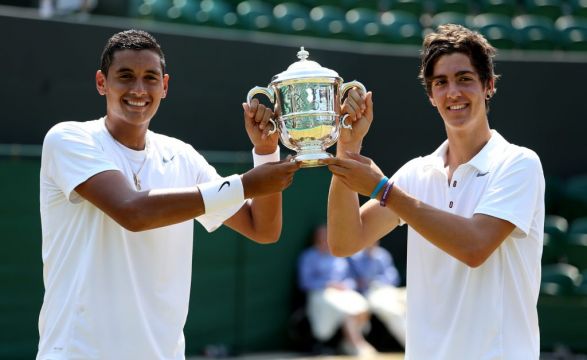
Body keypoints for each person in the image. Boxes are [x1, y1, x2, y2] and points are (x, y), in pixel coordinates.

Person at [37, 29, 301, 360]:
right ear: (102, 82)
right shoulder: (69, 139)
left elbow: (262, 228)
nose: (138, 89)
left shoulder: (182, 155)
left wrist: (265, 151)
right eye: (125, 76)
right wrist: (247, 184)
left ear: (165, 86)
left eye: (150, 78)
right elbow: (132, 211)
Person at [323, 24, 545, 359]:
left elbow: (474, 247)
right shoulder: (416, 173)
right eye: (441, 83)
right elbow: (344, 242)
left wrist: (384, 190)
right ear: (430, 95)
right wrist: (348, 149)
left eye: (465, 78)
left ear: (489, 86)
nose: (453, 92)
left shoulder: (519, 164)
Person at [297, 224, 377, 357]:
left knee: (363, 306)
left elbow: (350, 278)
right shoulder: (308, 257)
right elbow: (305, 282)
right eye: (322, 237)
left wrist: (345, 285)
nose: (326, 240)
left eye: (328, 236)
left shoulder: (339, 255)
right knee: (346, 311)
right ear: (316, 238)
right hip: (321, 292)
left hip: (343, 292)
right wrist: (327, 284)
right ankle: (358, 345)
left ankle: (348, 343)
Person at [349, 242, 407, 347]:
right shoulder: (355, 257)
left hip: (389, 290)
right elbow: (356, 281)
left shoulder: (383, 255)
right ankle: (411, 344)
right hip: (370, 294)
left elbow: (393, 277)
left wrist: (378, 281)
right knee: (393, 311)